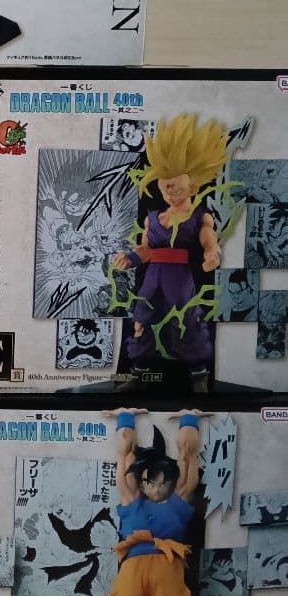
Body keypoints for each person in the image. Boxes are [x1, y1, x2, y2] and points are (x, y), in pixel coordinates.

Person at [81, 408, 206, 596]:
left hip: (167, 569)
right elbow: (124, 457)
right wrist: (125, 418)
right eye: (151, 482)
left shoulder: (177, 503)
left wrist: (189, 419)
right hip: (134, 571)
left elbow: (187, 459)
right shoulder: (132, 501)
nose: (157, 488)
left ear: (170, 482)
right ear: (143, 481)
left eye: (163, 483)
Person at [112, 115, 229, 391]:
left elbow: (210, 242)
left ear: (193, 186)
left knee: (186, 321)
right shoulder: (153, 217)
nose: (169, 189)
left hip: (180, 279)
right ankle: (138, 373)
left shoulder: (200, 216)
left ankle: (198, 375)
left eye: (175, 184)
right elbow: (146, 249)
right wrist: (130, 258)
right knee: (142, 320)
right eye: (165, 184)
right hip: (152, 277)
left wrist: (212, 255)